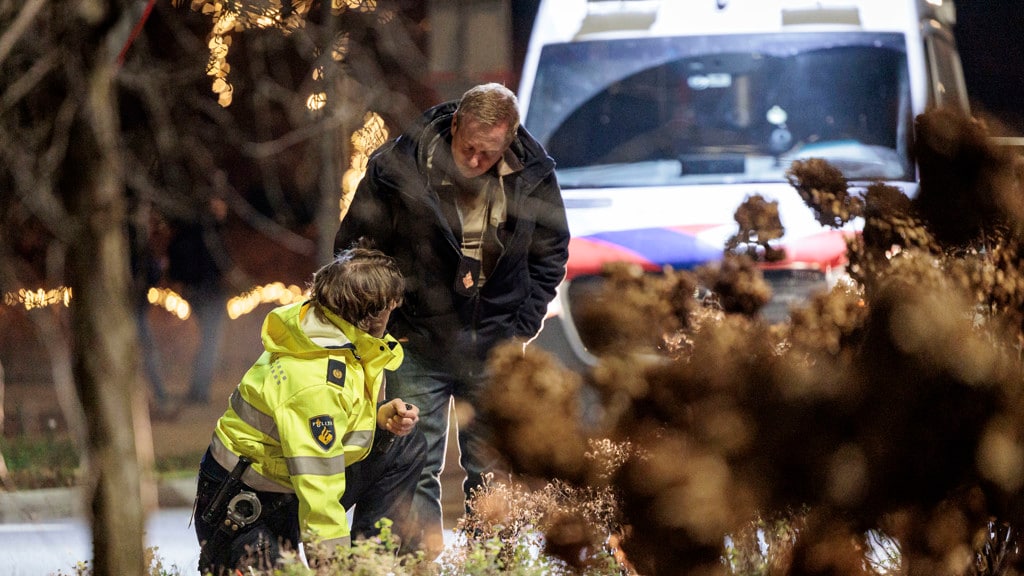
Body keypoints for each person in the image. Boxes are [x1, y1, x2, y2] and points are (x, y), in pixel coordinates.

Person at [333, 82, 570, 556]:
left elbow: (552, 251)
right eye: (470, 149)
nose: (478, 160)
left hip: (496, 343)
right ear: (455, 123)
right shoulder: (396, 168)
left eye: (490, 151)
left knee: (493, 464)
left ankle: (491, 563)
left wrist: (523, 322)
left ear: (510, 139)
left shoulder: (534, 175)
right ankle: (419, 562)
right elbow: (356, 247)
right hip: (416, 342)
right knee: (413, 461)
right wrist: (386, 317)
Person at [192, 246, 427, 574]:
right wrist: (332, 567)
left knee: (403, 444)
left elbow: (330, 420)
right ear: (369, 316)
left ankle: (369, 564)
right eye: (389, 307)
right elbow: (319, 490)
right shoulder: (314, 383)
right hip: (244, 509)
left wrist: (376, 417)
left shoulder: (324, 330)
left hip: (282, 488)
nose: (393, 314)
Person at [166, 196, 231, 404]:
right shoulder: (209, 233)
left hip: (195, 292)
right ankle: (200, 391)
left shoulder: (191, 230)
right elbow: (220, 263)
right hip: (209, 292)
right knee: (211, 342)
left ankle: (198, 389)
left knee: (207, 341)